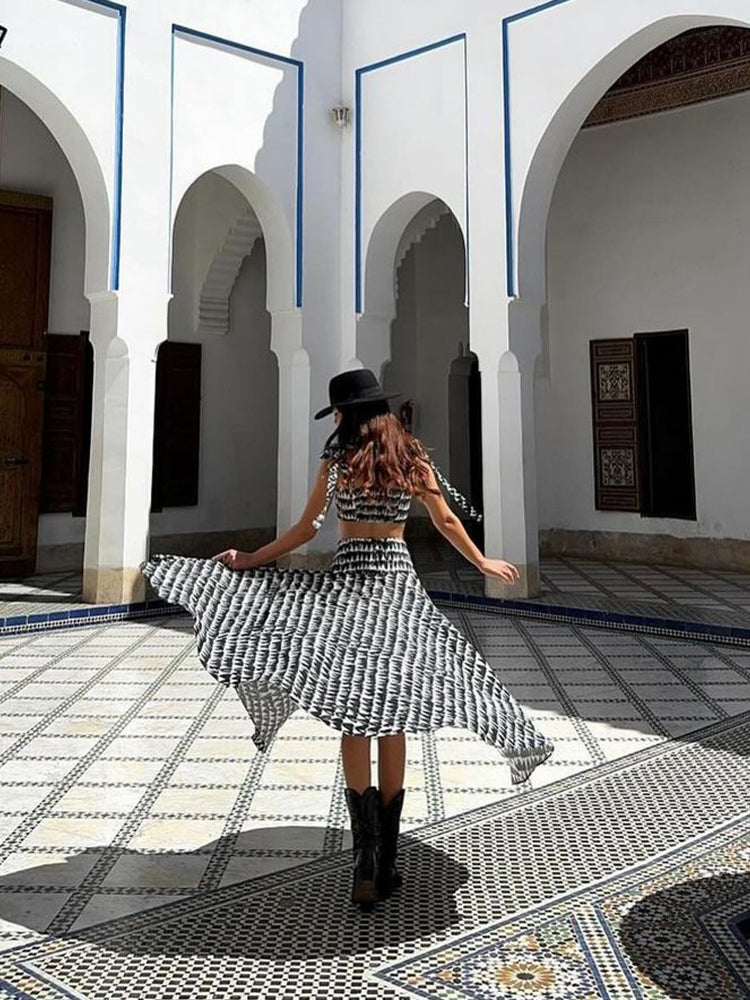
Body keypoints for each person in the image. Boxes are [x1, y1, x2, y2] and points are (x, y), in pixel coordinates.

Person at [140, 369, 554, 910]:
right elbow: (447, 520)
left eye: (335, 412)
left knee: (357, 713)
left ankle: (365, 859)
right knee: (397, 714)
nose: (333, 420)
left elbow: (307, 529)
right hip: (398, 589)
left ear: (347, 414)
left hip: (349, 590)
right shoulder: (410, 460)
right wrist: (481, 561)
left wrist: (251, 559)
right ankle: (387, 861)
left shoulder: (338, 463)